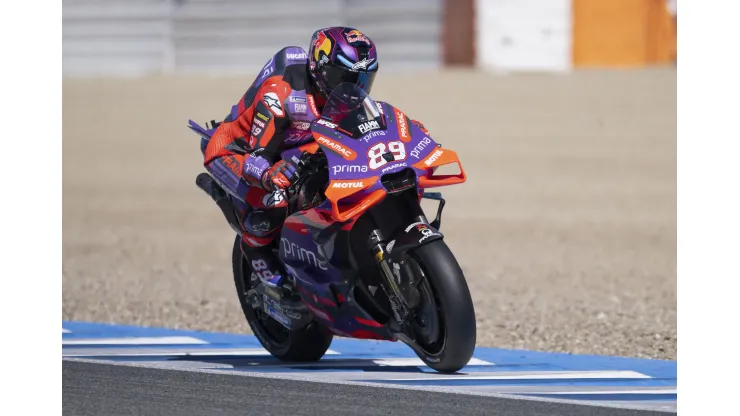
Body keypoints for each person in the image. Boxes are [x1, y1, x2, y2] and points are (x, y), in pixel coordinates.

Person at [202, 27, 427, 292]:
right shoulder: (280, 95)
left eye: (361, 80)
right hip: (237, 150)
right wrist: (268, 175)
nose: (353, 88)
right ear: (317, 69)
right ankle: (257, 253)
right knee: (274, 200)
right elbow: (257, 157)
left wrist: (407, 131)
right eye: (342, 77)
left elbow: (371, 125)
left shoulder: (343, 96)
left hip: (297, 143)